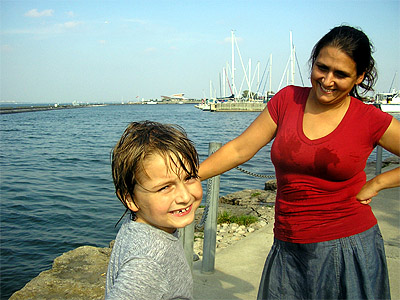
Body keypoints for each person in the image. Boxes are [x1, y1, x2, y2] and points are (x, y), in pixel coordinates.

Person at [198, 25, 400, 299]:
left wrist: (379, 182)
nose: (327, 80)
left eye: (341, 74)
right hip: (288, 245)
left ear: (359, 77)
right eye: (322, 67)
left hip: (347, 245)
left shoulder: (369, 119)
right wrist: (188, 177)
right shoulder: (287, 100)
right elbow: (239, 150)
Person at [105, 121, 203, 300]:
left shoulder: (138, 226)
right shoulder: (149, 261)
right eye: (165, 187)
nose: (185, 196)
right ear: (130, 199)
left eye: (189, 177)